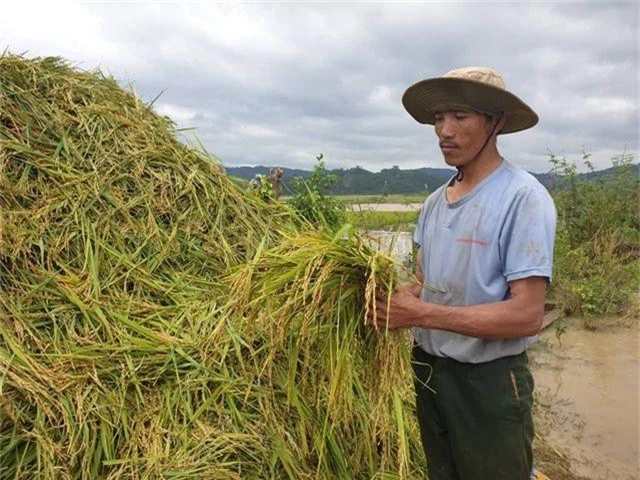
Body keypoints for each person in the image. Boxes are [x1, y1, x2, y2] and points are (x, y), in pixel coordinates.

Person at [367, 67, 556, 480]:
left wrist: (419, 315)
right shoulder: (435, 202)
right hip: (431, 374)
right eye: (438, 118)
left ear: (496, 122)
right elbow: (423, 280)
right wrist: (386, 298)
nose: (444, 131)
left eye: (461, 117)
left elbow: (526, 315)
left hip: (487, 383)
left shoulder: (522, 198)